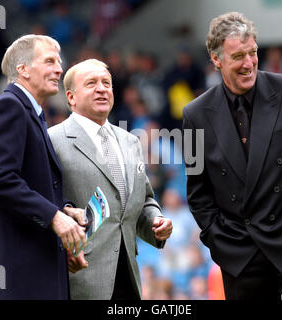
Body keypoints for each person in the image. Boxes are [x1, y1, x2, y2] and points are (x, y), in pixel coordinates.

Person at [182, 12, 282, 300]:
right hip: (240, 256)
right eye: (238, 56)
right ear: (216, 60)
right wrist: (217, 240)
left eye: (252, 52)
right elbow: (197, 191)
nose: (248, 63)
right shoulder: (194, 115)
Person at [0, 35, 86, 299]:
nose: (59, 68)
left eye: (60, 61)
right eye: (50, 61)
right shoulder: (9, 107)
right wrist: (54, 217)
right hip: (13, 273)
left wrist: (63, 210)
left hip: (30, 268)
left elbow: (30, 181)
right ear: (23, 69)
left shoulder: (32, 114)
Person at [48, 59, 173, 299]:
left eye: (107, 83)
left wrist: (156, 222)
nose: (102, 88)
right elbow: (46, 203)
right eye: (91, 83)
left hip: (128, 277)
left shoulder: (131, 141)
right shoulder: (53, 141)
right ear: (71, 97)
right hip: (80, 279)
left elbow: (144, 199)